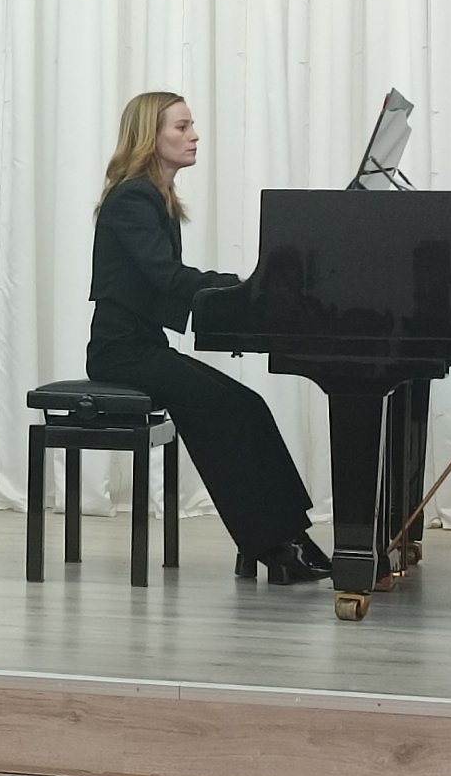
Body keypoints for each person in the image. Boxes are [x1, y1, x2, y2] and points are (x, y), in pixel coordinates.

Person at [85, 91, 330, 584]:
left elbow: (164, 282)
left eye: (191, 125)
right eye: (181, 127)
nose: (194, 136)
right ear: (149, 136)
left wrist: (237, 289)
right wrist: (239, 287)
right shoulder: (133, 197)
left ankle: (285, 536)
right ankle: (273, 544)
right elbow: (166, 276)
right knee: (230, 410)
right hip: (120, 352)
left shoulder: (156, 196)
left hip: (142, 347)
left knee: (248, 405)